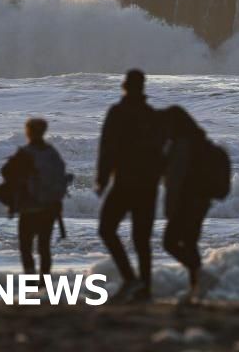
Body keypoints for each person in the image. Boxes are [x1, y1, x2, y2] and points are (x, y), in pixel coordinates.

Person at [96, 69, 168, 303]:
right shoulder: (153, 116)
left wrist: (103, 179)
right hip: (148, 185)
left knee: (107, 229)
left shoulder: (118, 112)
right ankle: (144, 288)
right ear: (143, 87)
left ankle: (130, 279)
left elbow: (107, 148)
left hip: (126, 182)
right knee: (142, 239)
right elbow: (162, 153)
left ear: (125, 86)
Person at [162, 105, 218, 303]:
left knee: (169, 242)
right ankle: (196, 288)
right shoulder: (199, 141)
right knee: (190, 242)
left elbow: (175, 179)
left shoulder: (181, 145)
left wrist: (170, 206)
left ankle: (201, 277)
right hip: (201, 201)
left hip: (186, 202)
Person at [16, 117, 68, 276]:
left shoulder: (24, 153)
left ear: (28, 132)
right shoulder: (52, 154)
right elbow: (61, 179)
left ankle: (30, 283)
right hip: (50, 208)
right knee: (44, 247)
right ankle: (43, 284)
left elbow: (14, 180)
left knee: (26, 247)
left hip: (29, 208)